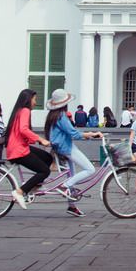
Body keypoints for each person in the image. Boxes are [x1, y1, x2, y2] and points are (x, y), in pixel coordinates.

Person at [44, 89, 104, 217]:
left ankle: (72, 206)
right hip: (66, 148)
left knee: (72, 176)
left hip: (62, 146)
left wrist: (88, 135)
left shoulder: (54, 115)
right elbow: (74, 133)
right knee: (90, 169)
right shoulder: (61, 116)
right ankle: (64, 186)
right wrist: (91, 134)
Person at [5, 89, 55, 210]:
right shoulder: (25, 111)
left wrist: (37, 140)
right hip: (19, 150)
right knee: (45, 171)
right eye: (34, 99)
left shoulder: (19, 111)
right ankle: (20, 192)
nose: (35, 102)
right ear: (28, 100)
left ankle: (35, 185)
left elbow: (21, 132)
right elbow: (23, 129)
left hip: (18, 147)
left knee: (47, 157)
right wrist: (41, 139)